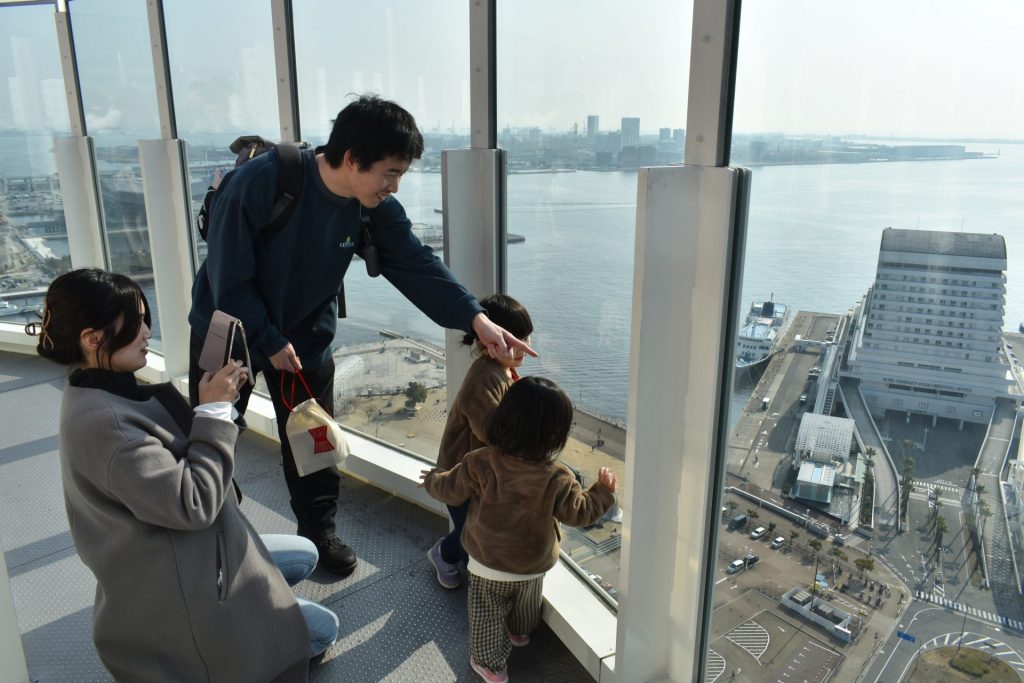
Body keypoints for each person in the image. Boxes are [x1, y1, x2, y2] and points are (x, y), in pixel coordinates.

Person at [188, 94, 534, 577]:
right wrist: (267, 338)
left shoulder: (369, 205)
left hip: (305, 333)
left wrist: (475, 319)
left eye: (400, 175)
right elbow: (229, 278)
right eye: (389, 173)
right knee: (215, 428)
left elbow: (415, 263)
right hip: (229, 331)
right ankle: (210, 535)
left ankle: (318, 530)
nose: (394, 186)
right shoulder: (261, 182)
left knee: (315, 439)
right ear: (351, 159)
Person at [30, 268, 338, 682]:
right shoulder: (107, 427)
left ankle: (254, 607)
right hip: (178, 582)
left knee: (305, 554)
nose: (146, 332)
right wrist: (212, 412)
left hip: (169, 556)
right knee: (323, 628)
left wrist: (221, 406)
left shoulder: (96, 392)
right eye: (136, 322)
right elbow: (194, 504)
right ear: (92, 339)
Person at [421, 377, 618, 683]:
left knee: (486, 615)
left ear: (504, 418)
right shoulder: (559, 476)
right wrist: (602, 492)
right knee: (525, 607)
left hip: (487, 563)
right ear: (556, 434)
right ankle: (519, 632)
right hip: (532, 564)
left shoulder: (481, 462)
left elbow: (450, 489)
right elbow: (580, 512)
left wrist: (432, 478)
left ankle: (489, 663)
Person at [428, 294, 534, 589]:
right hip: (461, 477)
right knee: (472, 537)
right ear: (487, 340)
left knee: (468, 529)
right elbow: (494, 434)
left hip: (477, 475)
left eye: (526, 336)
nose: (524, 345)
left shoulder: (503, 370)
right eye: (515, 338)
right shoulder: (483, 378)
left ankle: (442, 552)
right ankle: (478, 589)